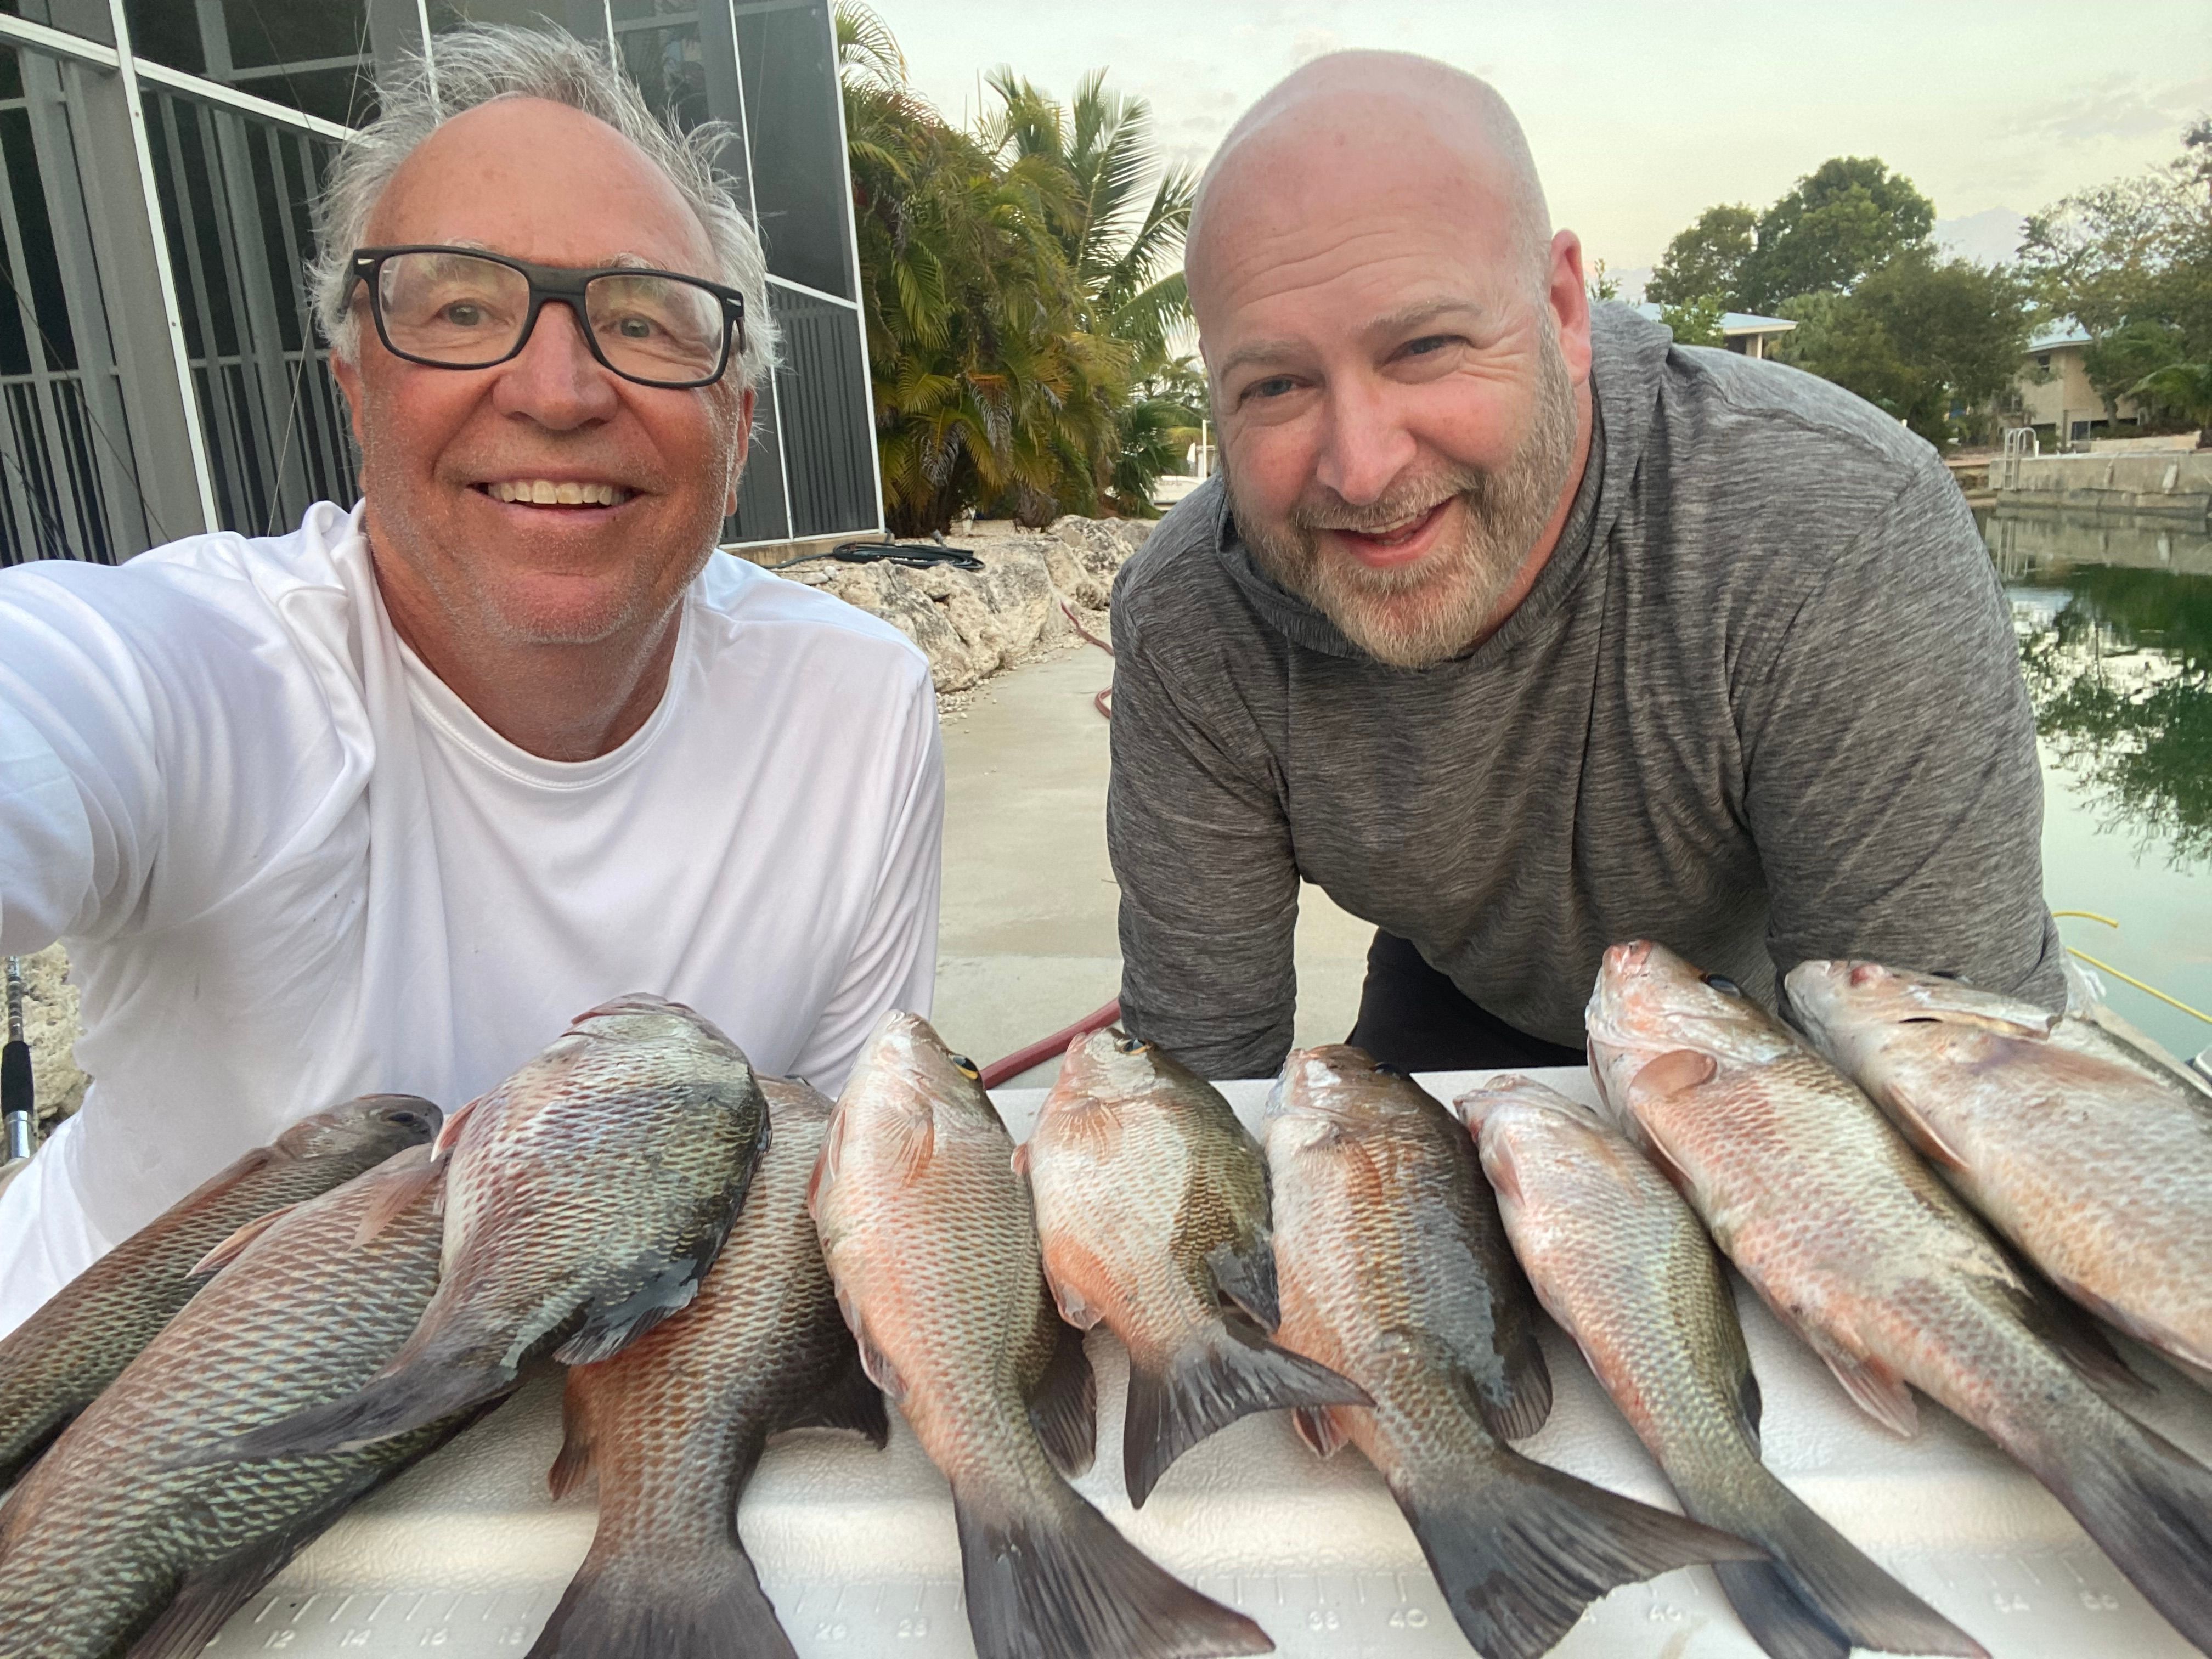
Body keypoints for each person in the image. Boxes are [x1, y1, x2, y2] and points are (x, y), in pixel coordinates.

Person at [0, 27, 941, 1333]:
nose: (557, 390)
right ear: (356, 384)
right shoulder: (208, 673)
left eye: (641, 321)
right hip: (76, 1426)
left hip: (537, 1469)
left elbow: (828, 1207)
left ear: (739, 419)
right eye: (461, 310)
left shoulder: (856, 708)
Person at [1107, 51, 2061, 1081]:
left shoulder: (1833, 531)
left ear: (1563, 310)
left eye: (1424, 346)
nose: (1360, 466)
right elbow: (1199, 1088)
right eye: (1277, 385)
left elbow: (1966, 1094)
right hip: (1468, 989)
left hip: (1782, 1029)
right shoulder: (1189, 618)